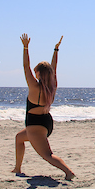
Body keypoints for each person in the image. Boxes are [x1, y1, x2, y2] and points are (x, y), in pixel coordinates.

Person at [12, 34, 74, 180]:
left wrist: (25, 47)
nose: (33, 73)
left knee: (47, 155)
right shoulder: (52, 87)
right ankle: (17, 167)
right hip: (46, 122)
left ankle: (68, 172)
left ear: (38, 73)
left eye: (36, 71)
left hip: (35, 125)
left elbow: (25, 66)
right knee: (19, 138)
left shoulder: (34, 86)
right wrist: (56, 50)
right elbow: (54, 68)